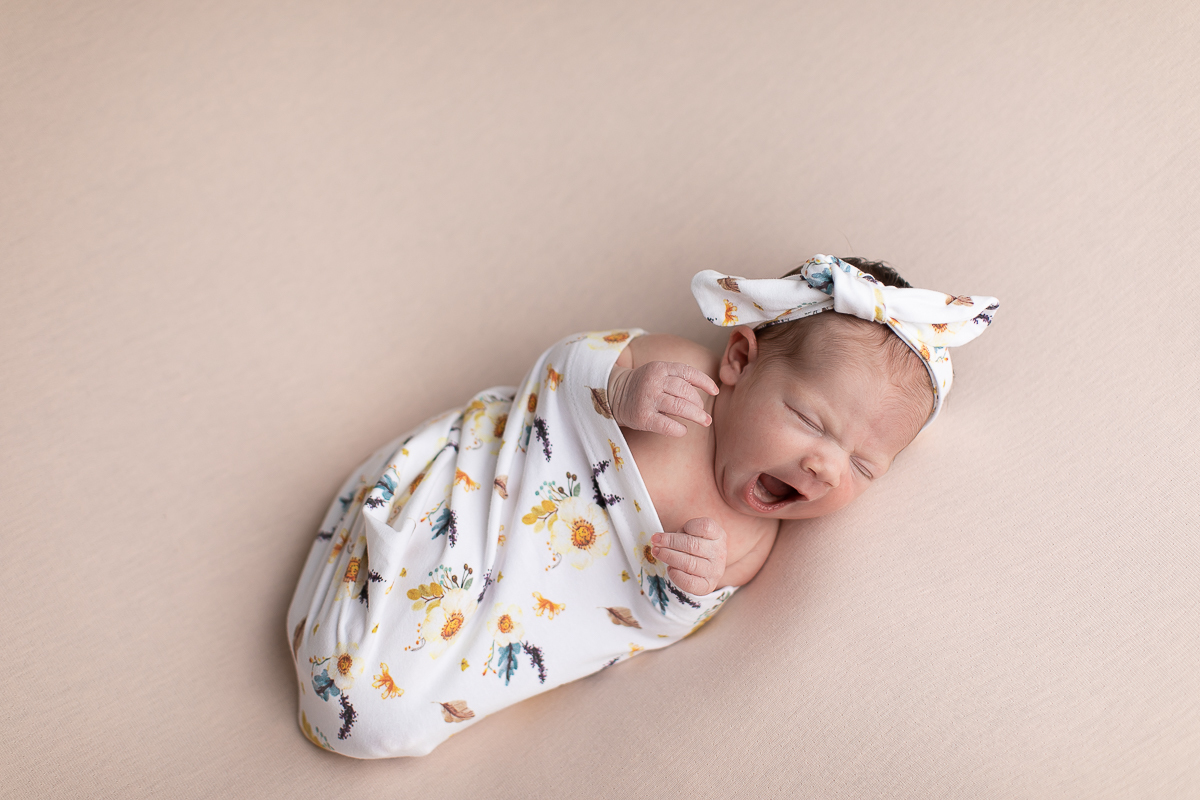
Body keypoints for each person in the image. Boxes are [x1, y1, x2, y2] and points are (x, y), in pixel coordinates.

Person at [286, 254, 998, 758]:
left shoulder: (749, 542)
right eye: (812, 422)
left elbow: (648, 619)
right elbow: (562, 371)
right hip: (484, 509)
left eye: (863, 466)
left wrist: (692, 586)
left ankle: (369, 694)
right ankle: (362, 610)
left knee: (383, 716)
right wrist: (615, 392)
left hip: (520, 608)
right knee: (371, 666)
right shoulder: (679, 375)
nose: (825, 466)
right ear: (740, 362)